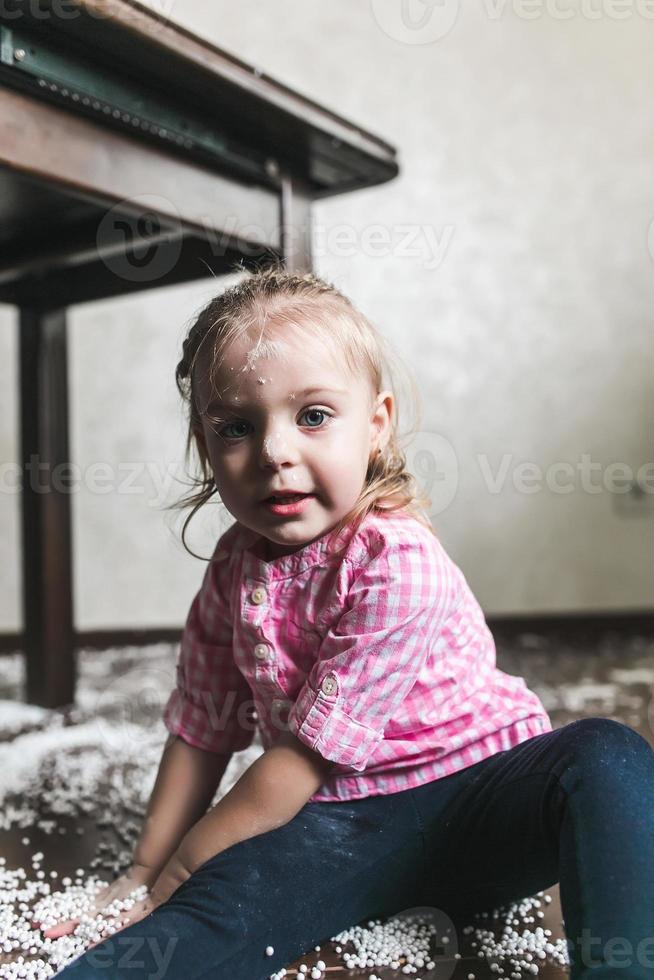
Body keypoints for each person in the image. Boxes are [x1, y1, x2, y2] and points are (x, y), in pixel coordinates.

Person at [48, 267, 654, 979]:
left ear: (375, 424)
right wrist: (148, 869)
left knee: (605, 755)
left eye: (312, 416)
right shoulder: (232, 566)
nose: (274, 452)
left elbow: (304, 758)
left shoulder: (399, 563)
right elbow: (202, 723)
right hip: (336, 827)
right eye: (236, 427)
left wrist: (185, 862)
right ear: (205, 447)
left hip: (485, 807)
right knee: (216, 905)